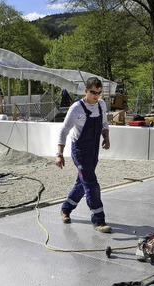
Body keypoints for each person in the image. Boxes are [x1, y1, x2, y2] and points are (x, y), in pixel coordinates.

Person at [55, 78, 111, 233]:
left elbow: (104, 124)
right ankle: (99, 221)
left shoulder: (101, 105)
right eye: (93, 92)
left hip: (93, 150)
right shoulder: (76, 108)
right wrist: (59, 154)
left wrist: (106, 138)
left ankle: (65, 209)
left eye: (99, 93)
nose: (96, 96)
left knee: (82, 182)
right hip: (79, 151)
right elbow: (64, 130)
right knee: (91, 183)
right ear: (86, 90)